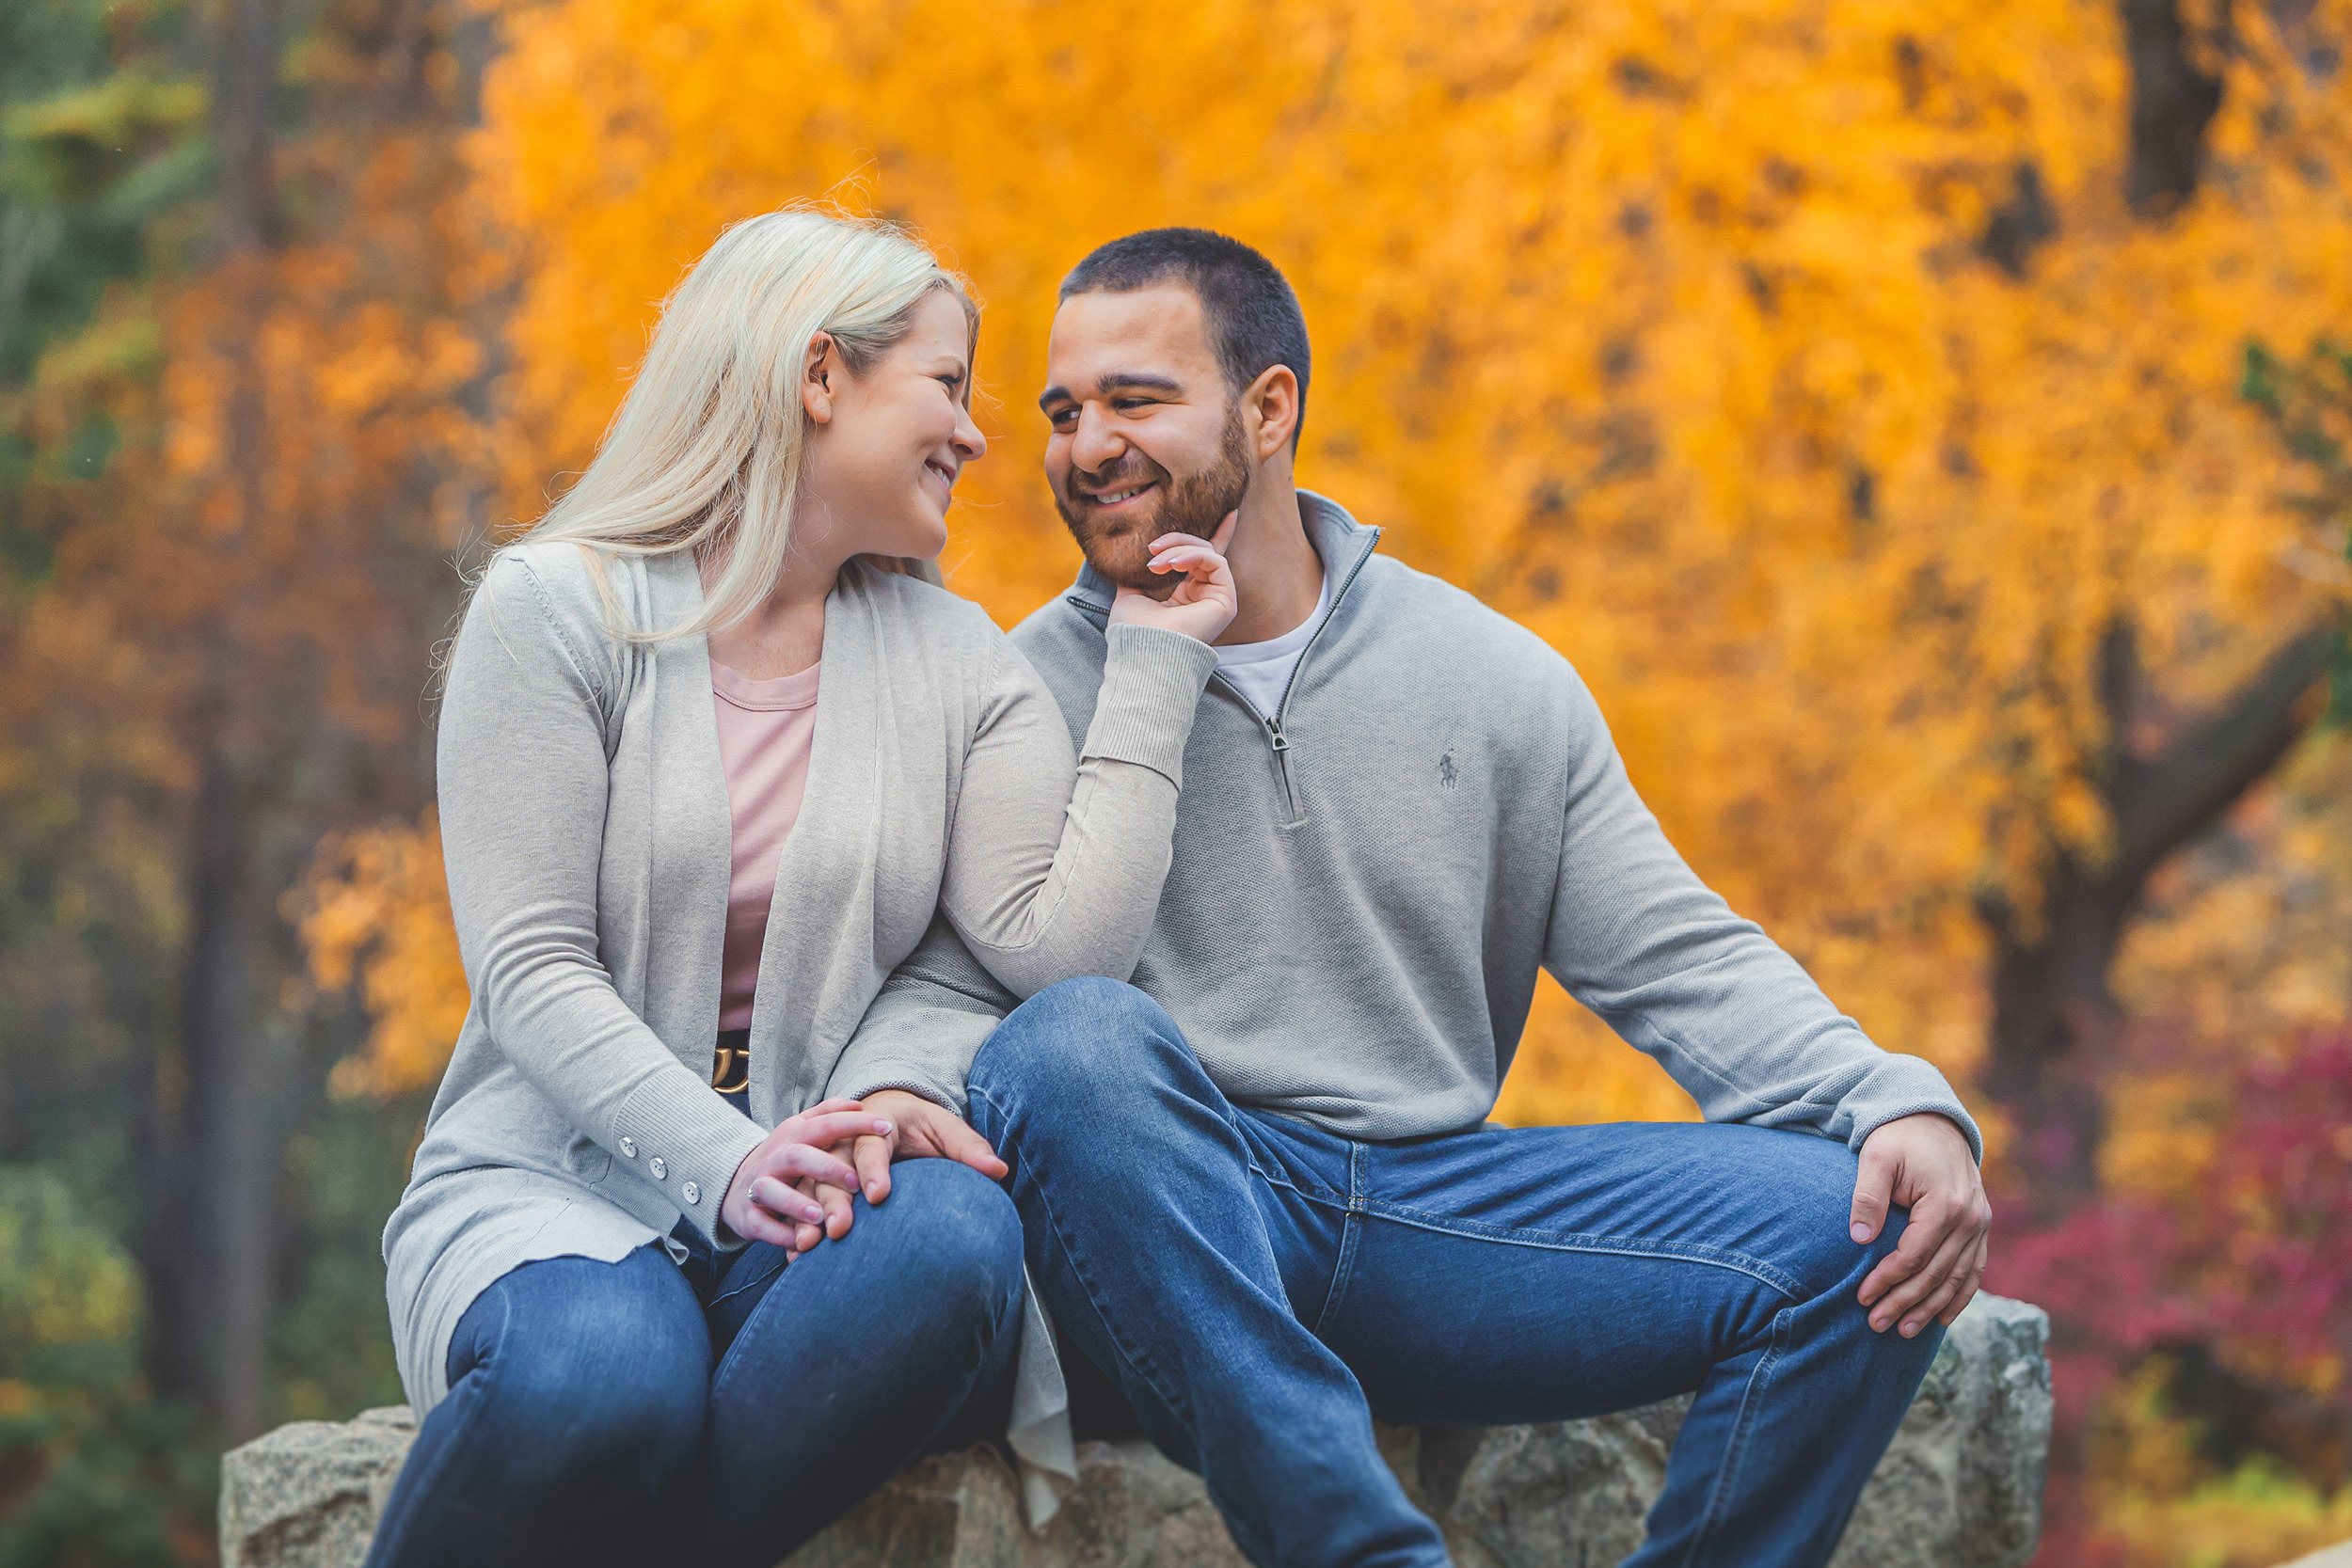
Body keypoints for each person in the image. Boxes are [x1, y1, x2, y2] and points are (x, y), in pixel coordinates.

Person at [837, 228, 1996, 1568]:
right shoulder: (1014, 690)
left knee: (1871, 1225)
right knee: (1072, 1047)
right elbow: (947, 975)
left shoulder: (1490, 677)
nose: (1083, 444)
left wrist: (1894, 1097)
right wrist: (895, 1087)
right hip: (1174, 1233)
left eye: (1134, 401)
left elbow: (1680, 956)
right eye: (1062, 411)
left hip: (1430, 1220)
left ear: (1269, 410)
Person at [364, 209, 1236, 1568]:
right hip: (563, 1192)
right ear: (821, 375)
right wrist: (730, 1164)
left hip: (822, 1205)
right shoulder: (556, 611)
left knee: (954, 1240)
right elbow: (531, 969)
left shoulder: (959, 663)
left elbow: (1040, 952)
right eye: (948, 385)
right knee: (603, 1380)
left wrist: (1158, 665)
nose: (978, 435)